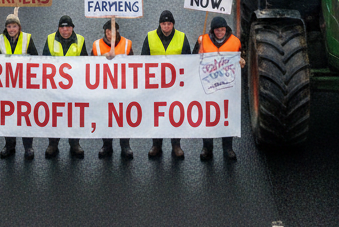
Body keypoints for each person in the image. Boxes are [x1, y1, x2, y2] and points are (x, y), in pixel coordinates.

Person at [193, 16, 245, 161]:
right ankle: (207, 148)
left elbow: (241, 58)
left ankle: (228, 149)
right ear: (212, 30)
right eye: (217, 30)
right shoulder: (202, 40)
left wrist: (241, 62)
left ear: (226, 29)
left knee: (226, 117)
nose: (220, 32)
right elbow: (191, 59)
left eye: (222, 30)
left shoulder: (235, 42)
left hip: (227, 88)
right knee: (208, 117)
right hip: (207, 87)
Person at [142, 10, 190, 158]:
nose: (166, 26)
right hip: (156, 85)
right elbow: (143, 59)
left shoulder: (182, 37)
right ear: (160, 24)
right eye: (164, 23)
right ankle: (156, 144)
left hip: (175, 85)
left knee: (175, 114)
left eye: (169, 24)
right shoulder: (150, 37)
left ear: (173, 24)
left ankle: (176, 145)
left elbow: (189, 60)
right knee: (157, 115)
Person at [43, 15, 87, 158]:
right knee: (55, 116)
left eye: (68, 27)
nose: (65, 30)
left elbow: (86, 63)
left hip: (74, 88)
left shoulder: (80, 40)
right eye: (62, 27)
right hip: (55, 87)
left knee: (74, 116)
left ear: (72, 28)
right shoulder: (50, 39)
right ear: (58, 28)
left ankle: (75, 144)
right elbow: (44, 61)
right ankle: (53, 144)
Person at [0, 12, 39, 159]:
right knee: (8, 117)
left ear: (19, 27)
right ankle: (9, 146)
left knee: (25, 117)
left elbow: (36, 59)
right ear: (6, 28)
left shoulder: (27, 38)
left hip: (24, 86)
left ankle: (28, 147)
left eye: (14, 26)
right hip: (7, 86)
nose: (12, 29)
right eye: (9, 26)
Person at [92, 20, 133, 159]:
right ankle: (107, 145)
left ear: (118, 31)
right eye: (108, 31)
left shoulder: (127, 44)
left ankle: (125, 145)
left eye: (113, 30)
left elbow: (134, 65)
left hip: (122, 88)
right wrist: (104, 58)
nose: (110, 34)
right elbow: (90, 65)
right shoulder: (97, 45)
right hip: (104, 88)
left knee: (123, 117)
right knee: (106, 118)